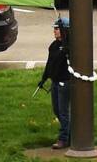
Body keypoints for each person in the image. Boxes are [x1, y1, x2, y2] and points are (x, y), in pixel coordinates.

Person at [38, 17, 71, 150]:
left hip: (65, 82)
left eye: (57, 29)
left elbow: (68, 53)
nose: (54, 31)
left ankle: (64, 139)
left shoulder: (69, 46)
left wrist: (66, 48)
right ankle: (70, 133)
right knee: (56, 110)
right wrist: (44, 78)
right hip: (55, 82)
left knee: (63, 112)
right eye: (54, 29)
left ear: (64, 30)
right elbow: (50, 63)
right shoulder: (54, 45)